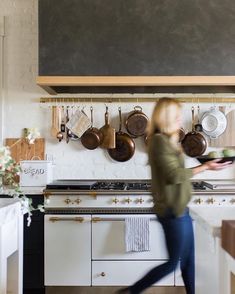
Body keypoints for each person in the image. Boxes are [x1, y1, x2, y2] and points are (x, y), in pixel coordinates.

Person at [117, 97, 231, 294]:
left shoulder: (167, 140)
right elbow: (174, 175)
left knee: (188, 261)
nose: (180, 120)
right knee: (173, 263)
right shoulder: (159, 141)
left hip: (179, 209)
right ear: (166, 117)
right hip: (171, 211)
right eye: (177, 116)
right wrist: (205, 167)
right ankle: (130, 292)